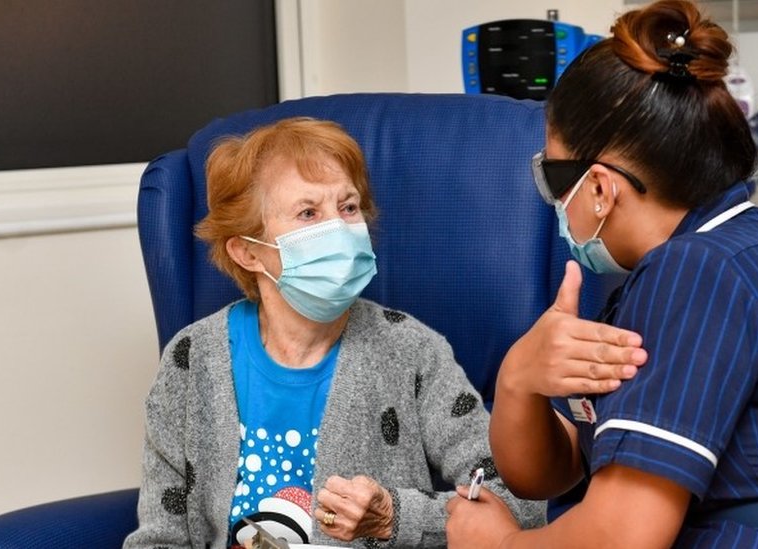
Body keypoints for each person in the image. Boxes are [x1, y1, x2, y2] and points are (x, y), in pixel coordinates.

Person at [445, 1, 758, 547]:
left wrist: (498, 544)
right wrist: (519, 376)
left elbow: (622, 537)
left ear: (600, 188)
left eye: (554, 178)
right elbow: (559, 469)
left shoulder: (695, 273)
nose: (554, 202)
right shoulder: (747, 258)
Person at [122, 117, 546, 548]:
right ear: (248, 251)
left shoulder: (411, 350)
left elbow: (518, 503)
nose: (340, 229)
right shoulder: (192, 359)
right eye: (308, 213)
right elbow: (158, 539)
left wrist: (395, 517)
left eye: (348, 207)